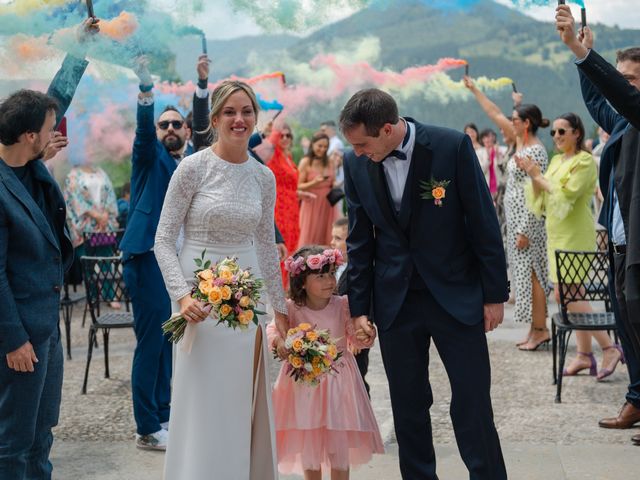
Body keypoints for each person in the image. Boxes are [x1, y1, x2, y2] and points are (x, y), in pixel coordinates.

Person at [340, 88, 508, 479]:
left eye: (364, 143)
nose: (359, 152)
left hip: (456, 294)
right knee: (408, 404)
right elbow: (360, 240)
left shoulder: (451, 146)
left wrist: (494, 294)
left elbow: (483, 222)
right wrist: (359, 309)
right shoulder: (355, 162)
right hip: (396, 301)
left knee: (472, 401)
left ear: (387, 129)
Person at [155, 80, 289, 479]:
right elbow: (162, 240)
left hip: (249, 304)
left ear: (255, 117)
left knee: (238, 400)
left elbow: (266, 245)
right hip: (198, 299)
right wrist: (181, 297)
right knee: (203, 400)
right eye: (230, 112)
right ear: (214, 119)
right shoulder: (192, 168)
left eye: (246, 111)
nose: (239, 119)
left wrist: (280, 311)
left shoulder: (263, 177)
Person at [0, 18, 96, 479]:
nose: (55, 130)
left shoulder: (31, 160)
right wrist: (13, 339)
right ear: (28, 137)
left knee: (42, 434)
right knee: (12, 444)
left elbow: (53, 103)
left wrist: (78, 51)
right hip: (18, 337)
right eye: (47, 128)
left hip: (47, 328)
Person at [556, 5, 640, 445]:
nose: (622, 86)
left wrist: (581, 50)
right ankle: (636, 398)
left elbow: (622, 97)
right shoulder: (624, 123)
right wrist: (582, 59)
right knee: (626, 323)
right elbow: (597, 101)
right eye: (620, 76)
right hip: (621, 242)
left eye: (630, 79)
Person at [119, 58, 192, 451]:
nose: (167, 129)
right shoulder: (150, 156)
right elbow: (144, 130)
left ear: (185, 130)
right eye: (163, 124)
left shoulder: (191, 162)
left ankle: (164, 415)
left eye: (174, 124)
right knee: (151, 341)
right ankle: (147, 426)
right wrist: (147, 89)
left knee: (169, 337)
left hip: (175, 260)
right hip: (146, 255)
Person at [519, 112, 623, 376]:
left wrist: (536, 175)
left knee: (568, 294)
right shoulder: (555, 161)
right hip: (556, 232)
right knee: (570, 293)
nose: (556, 137)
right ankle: (584, 355)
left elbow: (566, 194)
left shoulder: (585, 161)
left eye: (562, 131)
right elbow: (543, 194)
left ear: (577, 133)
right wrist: (534, 177)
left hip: (575, 234)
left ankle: (608, 348)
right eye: (553, 132)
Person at [267, 245, 384, 479]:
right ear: (301, 282)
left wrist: (365, 334)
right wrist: (280, 343)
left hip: (338, 384)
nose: (329, 281)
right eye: (320, 276)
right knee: (310, 444)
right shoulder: (291, 309)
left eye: (331, 273)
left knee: (337, 447)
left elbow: (355, 336)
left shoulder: (342, 304)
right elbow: (273, 331)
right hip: (304, 386)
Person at [505, 104, 551, 350]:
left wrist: (525, 228)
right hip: (516, 220)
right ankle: (533, 329)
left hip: (528, 221)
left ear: (527, 123)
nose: (511, 122)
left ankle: (541, 330)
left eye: (515, 119)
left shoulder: (536, 152)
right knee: (524, 276)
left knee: (534, 276)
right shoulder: (522, 146)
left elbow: (538, 192)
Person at [332, 216, 370, 395]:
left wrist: (356, 337)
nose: (332, 243)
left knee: (357, 380)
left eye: (338, 239)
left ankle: (362, 415)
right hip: (335, 336)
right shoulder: (331, 268)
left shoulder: (358, 272)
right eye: (333, 237)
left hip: (354, 337)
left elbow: (365, 301)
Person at [266, 124, 301, 285]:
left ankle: (286, 285)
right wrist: (275, 130)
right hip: (279, 206)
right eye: (282, 135)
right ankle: (278, 286)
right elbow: (269, 143)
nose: (285, 138)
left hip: (292, 207)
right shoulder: (273, 155)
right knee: (281, 245)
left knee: (293, 242)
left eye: (288, 135)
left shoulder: (289, 157)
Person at [298, 131, 339, 246]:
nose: (323, 149)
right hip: (312, 203)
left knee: (327, 236)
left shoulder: (330, 162)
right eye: (320, 146)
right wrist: (314, 182)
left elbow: (333, 180)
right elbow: (298, 186)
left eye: (326, 146)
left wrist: (335, 183)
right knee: (310, 237)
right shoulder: (305, 162)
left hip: (328, 204)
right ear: (313, 145)